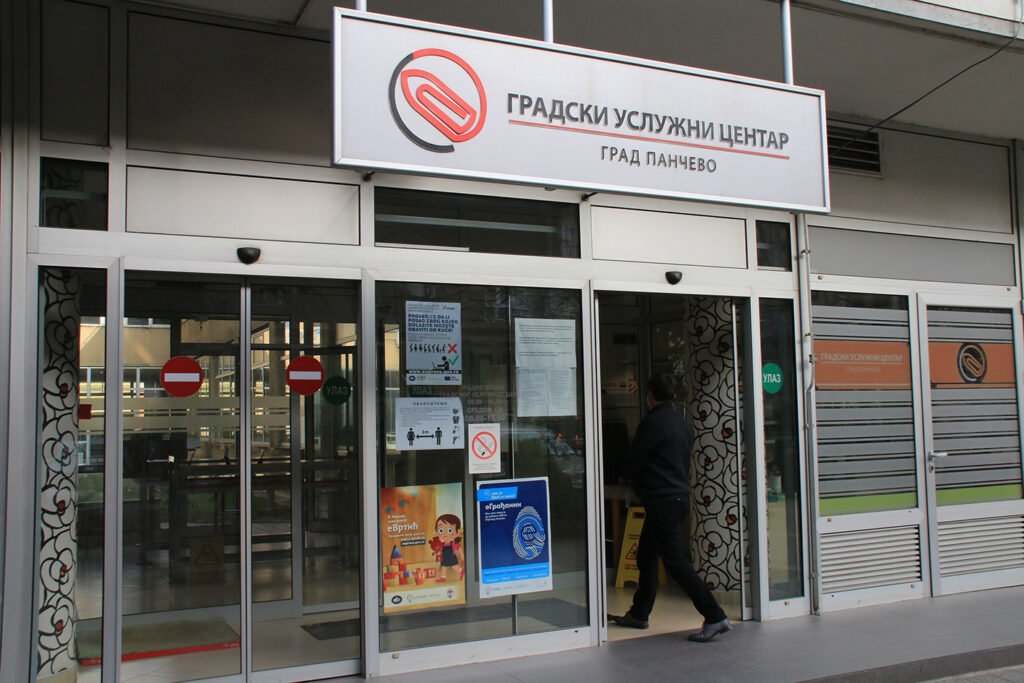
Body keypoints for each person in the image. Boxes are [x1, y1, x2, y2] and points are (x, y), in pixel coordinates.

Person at [610, 373, 731, 643]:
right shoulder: (683, 425)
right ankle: (639, 613)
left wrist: (625, 474)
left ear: (650, 396)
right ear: (673, 396)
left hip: (661, 501)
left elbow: (635, 458)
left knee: (676, 563)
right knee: (646, 556)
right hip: (676, 498)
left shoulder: (652, 424)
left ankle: (714, 615)